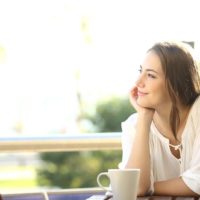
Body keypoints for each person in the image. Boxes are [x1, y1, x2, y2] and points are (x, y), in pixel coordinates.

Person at [119, 41, 200, 196]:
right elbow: (135, 187)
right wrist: (144, 118)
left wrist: (149, 187)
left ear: (175, 84)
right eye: (140, 71)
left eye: (150, 75)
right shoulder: (134, 125)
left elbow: (198, 182)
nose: (138, 82)